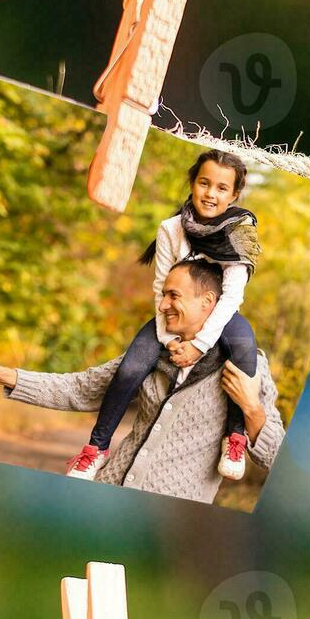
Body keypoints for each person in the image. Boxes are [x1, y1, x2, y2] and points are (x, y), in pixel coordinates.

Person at [0, 260, 284, 505]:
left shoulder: (248, 366)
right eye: (163, 295)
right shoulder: (149, 354)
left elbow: (277, 457)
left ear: (208, 302)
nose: (162, 305)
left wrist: (251, 408)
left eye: (174, 295)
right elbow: (80, 389)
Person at [63, 150, 262, 484]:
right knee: (131, 366)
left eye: (221, 188)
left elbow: (232, 295)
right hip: (171, 315)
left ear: (234, 195)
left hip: (219, 316)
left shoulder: (241, 231)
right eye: (204, 183)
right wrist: (171, 339)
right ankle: (95, 449)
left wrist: (198, 345)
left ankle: (235, 436)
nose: (210, 194)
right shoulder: (171, 229)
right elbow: (162, 288)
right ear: (192, 183)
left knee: (245, 348)